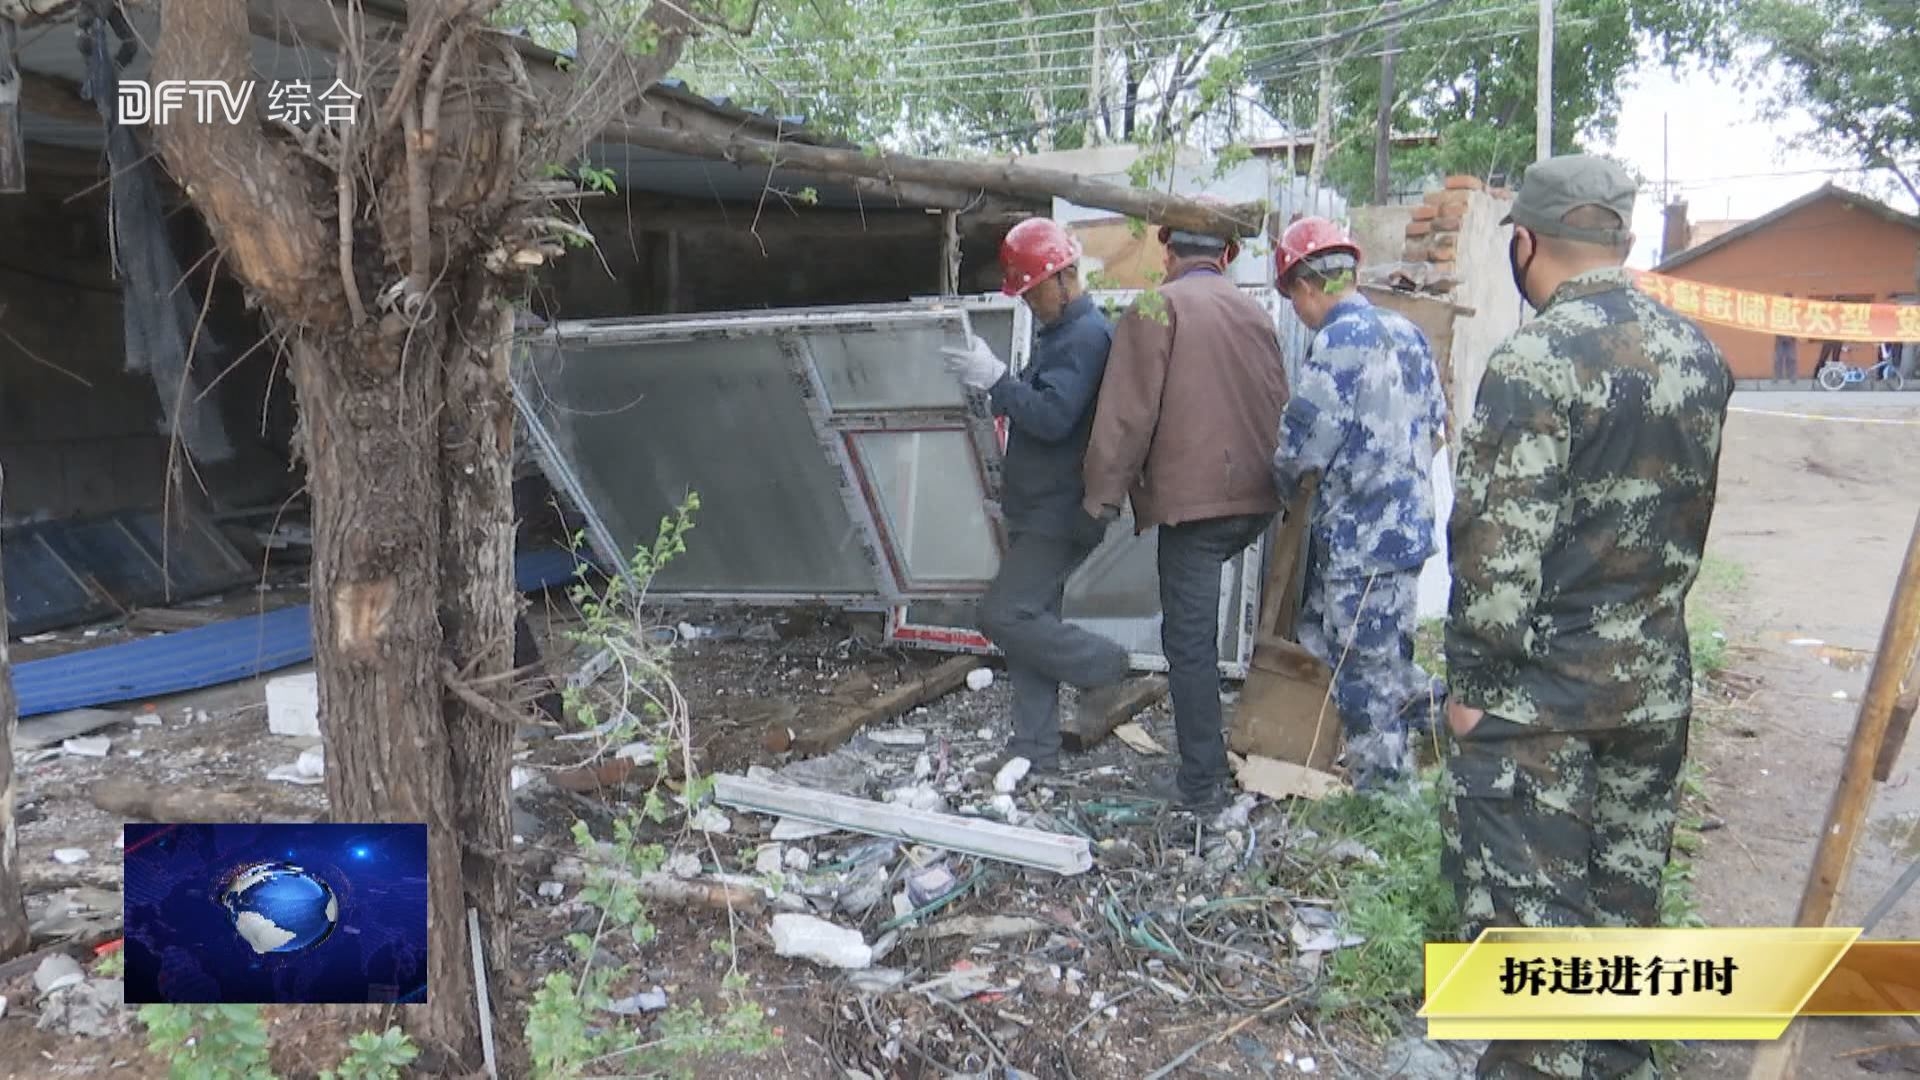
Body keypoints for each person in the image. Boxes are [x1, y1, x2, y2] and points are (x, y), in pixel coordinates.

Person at [1443, 154, 1732, 1080]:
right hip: (1651, 695)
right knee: (1620, 945)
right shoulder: (1699, 356)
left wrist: (1472, 692)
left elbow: (1495, 554)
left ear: (1525, 243)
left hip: (1540, 710)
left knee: (1537, 966)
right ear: (1623, 238)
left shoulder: (1535, 359)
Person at [1082, 217, 1290, 814]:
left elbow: (1126, 415)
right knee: (1198, 633)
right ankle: (1216, 759)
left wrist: (1099, 497)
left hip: (1196, 509)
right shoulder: (1255, 313)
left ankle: (1203, 787)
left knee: (1190, 644)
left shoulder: (1157, 307)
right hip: (1255, 502)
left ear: (1166, 248)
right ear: (1226, 254)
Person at [939, 218, 1132, 775]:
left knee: (1002, 613)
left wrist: (998, 381)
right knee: (1031, 623)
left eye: (1033, 291)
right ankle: (1035, 747)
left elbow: (1052, 417)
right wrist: (995, 389)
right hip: (1038, 504)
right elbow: (1039, 407)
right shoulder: (1061, 336)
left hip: (1060, 509)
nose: (1028, 303)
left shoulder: (1087, 336)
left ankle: (1108, 667)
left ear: (1065, 276)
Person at [1268, 217, 1448, 793]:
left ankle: (1389, 802)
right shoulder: (1407, 332)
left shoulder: (1339, 340)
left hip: (1361, 543)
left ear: (1305, 287)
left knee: (1365, 674)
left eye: (1293, 298)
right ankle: (1461, 723)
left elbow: (1301, 447)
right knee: (1348, 644)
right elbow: (1438, 429)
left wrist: (1279, 484)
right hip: (1406, 530)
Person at [1772, 293, 1798, 381]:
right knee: (1778, 358)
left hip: (1791, 338)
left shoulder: (1795, 311)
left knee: (1791, 358)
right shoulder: (1779, 311)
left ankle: (1792, 377)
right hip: (1780, 338)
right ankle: (1777, 376)